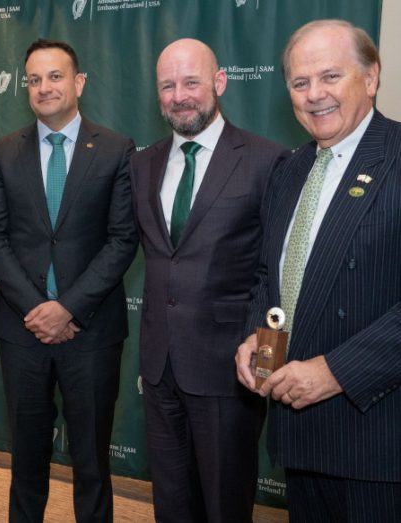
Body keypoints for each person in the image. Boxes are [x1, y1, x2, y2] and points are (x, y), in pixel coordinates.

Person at [235, 19, 401, 521]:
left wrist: (337, 372)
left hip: (378, 441)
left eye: (331, 76)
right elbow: (273, 276)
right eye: (300, 83)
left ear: (371, 77)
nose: (315, 95)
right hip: (301, 437)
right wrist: (256, 337)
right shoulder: (290, 170)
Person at [0, 39, 138, 522]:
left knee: (91, 461)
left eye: (54, 76)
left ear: (78, 82)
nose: (44, 87)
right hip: (24, 331)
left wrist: (66, 307)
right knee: (26, 460)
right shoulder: (4, 152)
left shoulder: (115, 149)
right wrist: (38, 310)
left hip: (90, 332)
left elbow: (122, 239)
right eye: (33, 79)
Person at [129, 39, 288, 523]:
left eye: (191, 82)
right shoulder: (143, 163)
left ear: (219, 82)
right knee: (171, 503)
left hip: (231, 370)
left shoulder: (267, 160)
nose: (180, 95)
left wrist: (265, 362)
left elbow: (278, 273)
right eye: (168, 85)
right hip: (159, 368)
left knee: (225, 505)